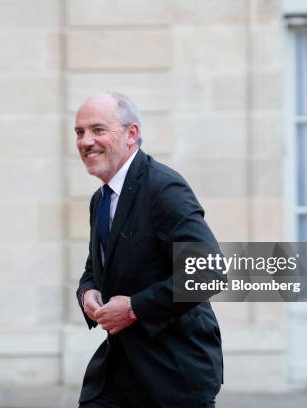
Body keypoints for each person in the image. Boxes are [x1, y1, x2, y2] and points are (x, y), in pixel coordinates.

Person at [75, 91, 224, 407]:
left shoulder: (163, 187)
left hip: (173, 373)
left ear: (132, 135)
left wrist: (133, 308)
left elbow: (209, 272)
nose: (85, 141)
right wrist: (87, 293)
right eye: (79, 132)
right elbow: (96, 267)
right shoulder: (101, 199)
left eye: (98, 130)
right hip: (118, 372)